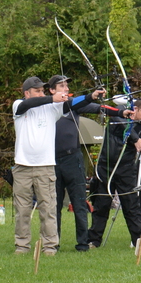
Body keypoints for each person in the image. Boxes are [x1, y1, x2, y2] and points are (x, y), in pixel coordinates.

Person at [84, 96, 141, 249]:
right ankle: (93, 240)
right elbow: (124, 126)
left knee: (132, 206)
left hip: (126, 170)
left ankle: (140, 241)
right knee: (101, 205)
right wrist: (136, 139)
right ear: (135, 109)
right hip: (106, 168)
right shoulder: (119, 115)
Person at [11, 77, 66, 257]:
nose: (42, 94)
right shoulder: (19, 106)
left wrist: (91, 96)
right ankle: (22, 246)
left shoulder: (52, 109)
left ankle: (49, 246)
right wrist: (51, 98)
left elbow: (77, 104)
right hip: (22, 167)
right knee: (22, 210)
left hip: (45, 167)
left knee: (48, 209)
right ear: (27, 93)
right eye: (38, 91)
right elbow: (29, 104)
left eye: (43, 91)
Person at [49, 76, 103, 252]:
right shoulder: (45, 107)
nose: (66, 88)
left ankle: (83, 243)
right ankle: (53, 243)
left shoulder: (74, 104)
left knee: (79, 203)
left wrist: (121, 112)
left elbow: (97, 107)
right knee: (54, 205)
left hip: (73, 159)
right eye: (61, 86)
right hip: (52, 160)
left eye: (67, 85)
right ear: (51, 90)